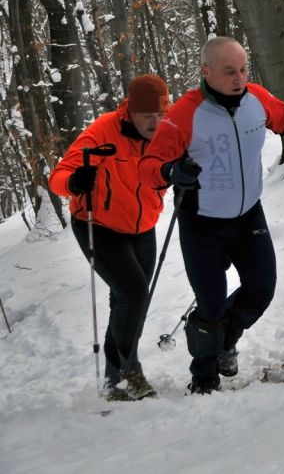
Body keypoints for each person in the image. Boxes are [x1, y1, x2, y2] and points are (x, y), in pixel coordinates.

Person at [138, 36, 284, 394]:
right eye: (229, 71)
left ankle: (226, 341)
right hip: (201, 223)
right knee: (211, 305)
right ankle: (203, 377)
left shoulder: (255, 98)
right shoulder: (185, 114)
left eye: (243, 70)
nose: (239, 78)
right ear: (206, 71)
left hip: (248, 216)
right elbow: (149, 166)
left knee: (261, 290)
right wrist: (171, 172)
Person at [49, 74, 172, 401]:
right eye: (148, 115)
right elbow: (57, 178)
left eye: (161, 114)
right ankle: (131, 371)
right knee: (133, 294)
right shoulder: (103, 131)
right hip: (97, 225)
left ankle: (111, 379)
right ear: (130, 111)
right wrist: (75, 182)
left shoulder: (169, 132)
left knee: (127, 300)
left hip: (143, 225)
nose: (155, 122)